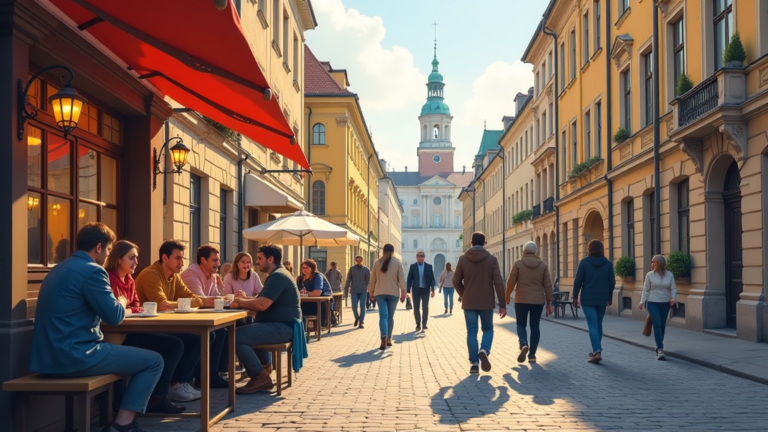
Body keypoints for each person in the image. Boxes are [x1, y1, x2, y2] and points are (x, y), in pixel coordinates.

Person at [30, 223, 163, 432]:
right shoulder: (93, 271)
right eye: (110, 250)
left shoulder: (58, 268)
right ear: (99, 247)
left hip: (46, 359)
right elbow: (114, 316)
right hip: (77, 356)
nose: (109, 255)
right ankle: (122, 425)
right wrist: (120, 301)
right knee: (154, 361)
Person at [135, 240, 224, 399]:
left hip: (162, 326)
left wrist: (192, 301)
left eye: (182, 259)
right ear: (164, 258)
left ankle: (181, 383)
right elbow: (162, 305)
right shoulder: (151, 274)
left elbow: (191, 297)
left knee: (209, 335)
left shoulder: (174, 277)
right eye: (177, 258)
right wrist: (193, 302)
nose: (181, 263)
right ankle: (173, 386)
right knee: (181, 342)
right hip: (142, 329)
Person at [104, 240, 186, 414]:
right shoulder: (107, 278)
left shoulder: (129, 280)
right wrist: (128, 307)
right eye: (131, 258)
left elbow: (135, 305)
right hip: (112, 337)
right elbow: (113, 312)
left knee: (176, 343)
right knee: (172, 346)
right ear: (118, 259)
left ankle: (159, 396)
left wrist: (127, 307)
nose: (136, 262)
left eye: (137, 258)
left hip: (130, 331)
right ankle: (142, 403)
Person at [230, 245, 302, 394]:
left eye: (260, 258)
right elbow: (261, 299)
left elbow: (262, 304)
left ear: (270, 259)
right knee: (246, 330)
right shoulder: (278, 274)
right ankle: (263, 366)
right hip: (282, 325)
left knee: (235, 336)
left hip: (283, 327)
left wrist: (239, 302)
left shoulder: (278, 276)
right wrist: (247, 299)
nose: (257, 262)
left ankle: (260, 376)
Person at [453, 232, 506, 374]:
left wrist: (463, 294)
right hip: (486, 302)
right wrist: (502, 304)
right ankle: (484, 349)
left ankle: (474, 364)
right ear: (484, 243)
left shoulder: (463, 259)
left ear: (471, 243)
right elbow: (498, 282)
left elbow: (456, 281)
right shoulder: (492, 260)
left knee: (471, 331)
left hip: (469, 301)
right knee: (488, 329)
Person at [179, 244, 229, 385]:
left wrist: (221, 292)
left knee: (224, 330)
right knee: (216, 333)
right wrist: (226, 299)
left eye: (218, 260)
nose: (218, 264)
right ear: (203, 260)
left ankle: (212, 373)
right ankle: (204, 376)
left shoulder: (212, 276)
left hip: (201, 317)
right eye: (214, 260)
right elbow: (201, 301)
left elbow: (214, 299)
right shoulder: (191, 274)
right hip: (187, 320)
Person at [505, 241, 553, 364]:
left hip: (521, 299)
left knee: (521, 324)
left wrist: (507, 296)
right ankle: (532, 355)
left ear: (524, 251)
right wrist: (549, 301)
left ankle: (523, 344)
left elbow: (511, 281)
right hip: (537, 300)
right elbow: (548, 285)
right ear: (536, 251)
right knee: (535, 326)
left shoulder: (518, 264)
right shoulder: (542, 265)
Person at [572, 239, 616, 364]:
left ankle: (596, 351)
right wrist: (610, 296)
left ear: (589, 249)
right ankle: (597, 350)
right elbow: (612, 282)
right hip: (602, 298)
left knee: (592, 324)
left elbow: (578, 281)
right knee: (598, 324)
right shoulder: (608, 264)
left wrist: (575, 297)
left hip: (588, 298)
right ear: (602, 249)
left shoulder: (584, 263)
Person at [367, 244, 407, 350]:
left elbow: (373, 279)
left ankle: (383, 338)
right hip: (393, 293)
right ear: (393, 252)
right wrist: (403, 292)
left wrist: (370, 292)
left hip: (380, 293)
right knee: (390, 317)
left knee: (383, 316)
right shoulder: (397, 263)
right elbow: (402, 278)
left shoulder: (377, 263)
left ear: (383, 251)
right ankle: (389, 338)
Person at [639, 255, 678, 360]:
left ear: (660, 263)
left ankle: (658, 345)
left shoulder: (669, 275)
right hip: (652, 302)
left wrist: (673, 298)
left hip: (665, 302)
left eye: (654, 262)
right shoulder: (649, 275)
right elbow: (646, 289)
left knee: (662, 324)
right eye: (652, 262)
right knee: (657, 323)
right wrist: (642, 302)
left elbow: (673, 288)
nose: (652, 264)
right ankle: (660, 349)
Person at [406, 251, 436, 331]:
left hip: (426, 289)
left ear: (424, 257)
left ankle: (424, 323)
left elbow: (432, 279)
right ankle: (418, 324)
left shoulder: (429, 267)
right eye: (418, 256)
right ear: (416, 257)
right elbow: (409, 278)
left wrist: (433, 290)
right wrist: (408, 290)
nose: (420, 258)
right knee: (416, 307)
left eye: (422, 256)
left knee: (425, 307)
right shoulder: (413, 267)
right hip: (416, 289)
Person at [297, 259, 333, 326]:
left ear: (312, 268)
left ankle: (318, 325)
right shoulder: (301, 278)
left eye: (307, 268)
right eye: (303, 268)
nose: (304, 269)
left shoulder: (318, 276)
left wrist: (306, 294)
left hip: (323, 301)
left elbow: (317, 292)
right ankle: (302, 327)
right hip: (310, 300)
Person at [345, 255, 371, 328]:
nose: (359, 262)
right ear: (356, 261)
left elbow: (369, 280)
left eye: (360, 260)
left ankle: (361, 321)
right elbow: (348, 279)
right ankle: (357, 317)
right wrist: (346, 289)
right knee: (354, 306)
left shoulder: (366, 269)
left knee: (362, 306)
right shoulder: (352, 269)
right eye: (357, 260)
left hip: (363, 290)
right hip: (354, 290)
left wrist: (369, 288)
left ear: (362, 261)